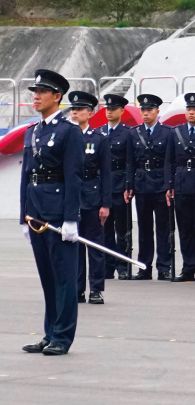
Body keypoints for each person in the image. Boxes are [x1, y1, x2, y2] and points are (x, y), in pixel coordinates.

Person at [20, 69, 83, 356]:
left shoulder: (68, 131)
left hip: (58, 215)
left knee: (64, 278)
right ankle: (49, 332)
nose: (36, 96)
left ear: (57, 97)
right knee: (47, 277)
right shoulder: (34, 131)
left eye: (42, 91)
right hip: (36, 213)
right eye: (35, 91)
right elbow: (26, 175)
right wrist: (24, 216)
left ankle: (62, 336)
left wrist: (71, 219)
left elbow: (74, 177)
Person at [164, 93, 195, 282]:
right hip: (181, 184)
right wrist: (170, 184)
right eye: (189, 109)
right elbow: (170, 161)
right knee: (184, 229)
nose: (191, 112)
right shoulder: (175, 132)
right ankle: (188, 267)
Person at [125, 95, 174, 280]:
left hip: (160, 184)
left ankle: (164, 266)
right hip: (141, 184)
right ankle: (144, 266)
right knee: (144, 229)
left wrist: (169, 184)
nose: (146, 113)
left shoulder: (168, 132)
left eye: (150, 110)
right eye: (143, 110)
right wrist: (129, 185)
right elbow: (130, 162)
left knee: (163, 228)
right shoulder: (134, 133)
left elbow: (169, 161)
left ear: (157, 112)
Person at [69, 91, 111, 305]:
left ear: (90, 113)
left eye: (79, 110)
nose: (75, 113)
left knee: (95, 245)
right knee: (74, 246)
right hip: (71, 197)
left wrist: (105, 204)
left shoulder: (98, 139)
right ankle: (77, 289)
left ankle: (96, 288)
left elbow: (106, 172)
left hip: (93, 197)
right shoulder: (66, 137)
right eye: (73, 110)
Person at [101, 94, 132, 280]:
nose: (109, 112)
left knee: (122, 230)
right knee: (105, 230)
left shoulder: (128, 133)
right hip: (103, 186)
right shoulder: (99, 132)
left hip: (120, 186)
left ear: (121, 111)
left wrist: (129, 185)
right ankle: (107, 266)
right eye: (107, 109)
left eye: (113, 109)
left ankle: (123, 264)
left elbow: (130, 162)